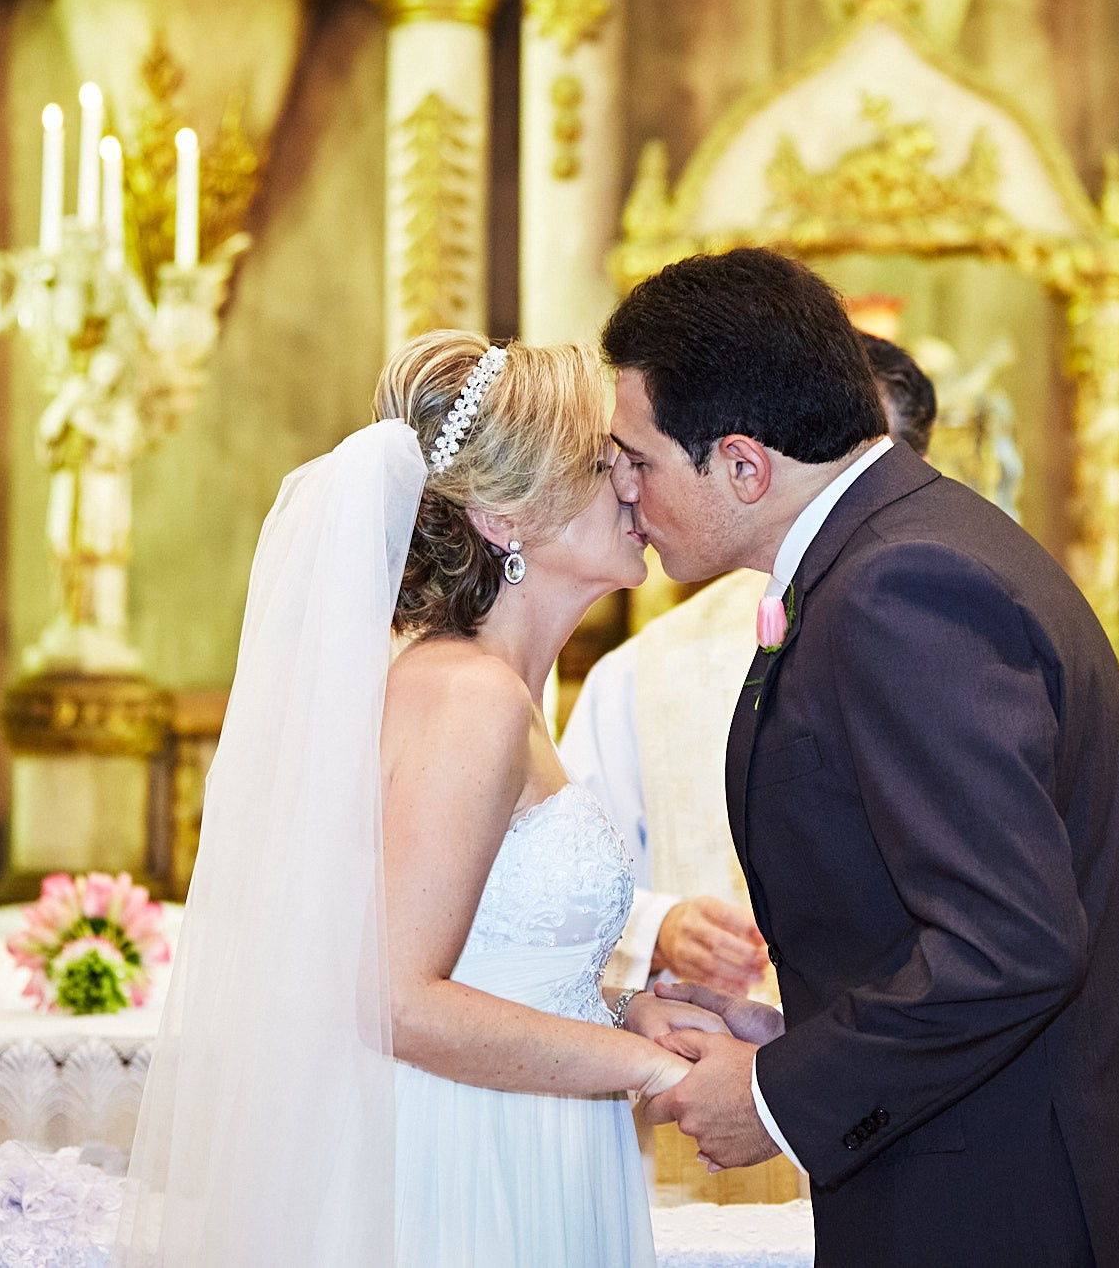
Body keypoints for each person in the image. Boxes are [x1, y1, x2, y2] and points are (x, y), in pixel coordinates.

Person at [603, 249, 1119, 1265]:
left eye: (636, 460)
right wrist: (802, 1038)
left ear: (741, 463)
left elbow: (1009, 942)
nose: (623, 495)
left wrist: (778, 1099)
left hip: (1020, 1208)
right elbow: (934, 917)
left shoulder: (898, 588)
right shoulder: (903, 549)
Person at [116, 332, 729, 1267]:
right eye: (607, 464)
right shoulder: (469, 697)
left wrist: (623, 1013)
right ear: (502, 515)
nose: (635, 488)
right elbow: (397, 1001)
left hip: (515, 1126)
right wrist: (641, 1067)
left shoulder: (491, 690)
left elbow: (484, 965)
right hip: (471, 1166)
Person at [561, 334, 939, 1002]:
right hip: (707, 1058)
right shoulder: (647, 670)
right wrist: (662, 927)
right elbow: (557, 877)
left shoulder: (953, 644)